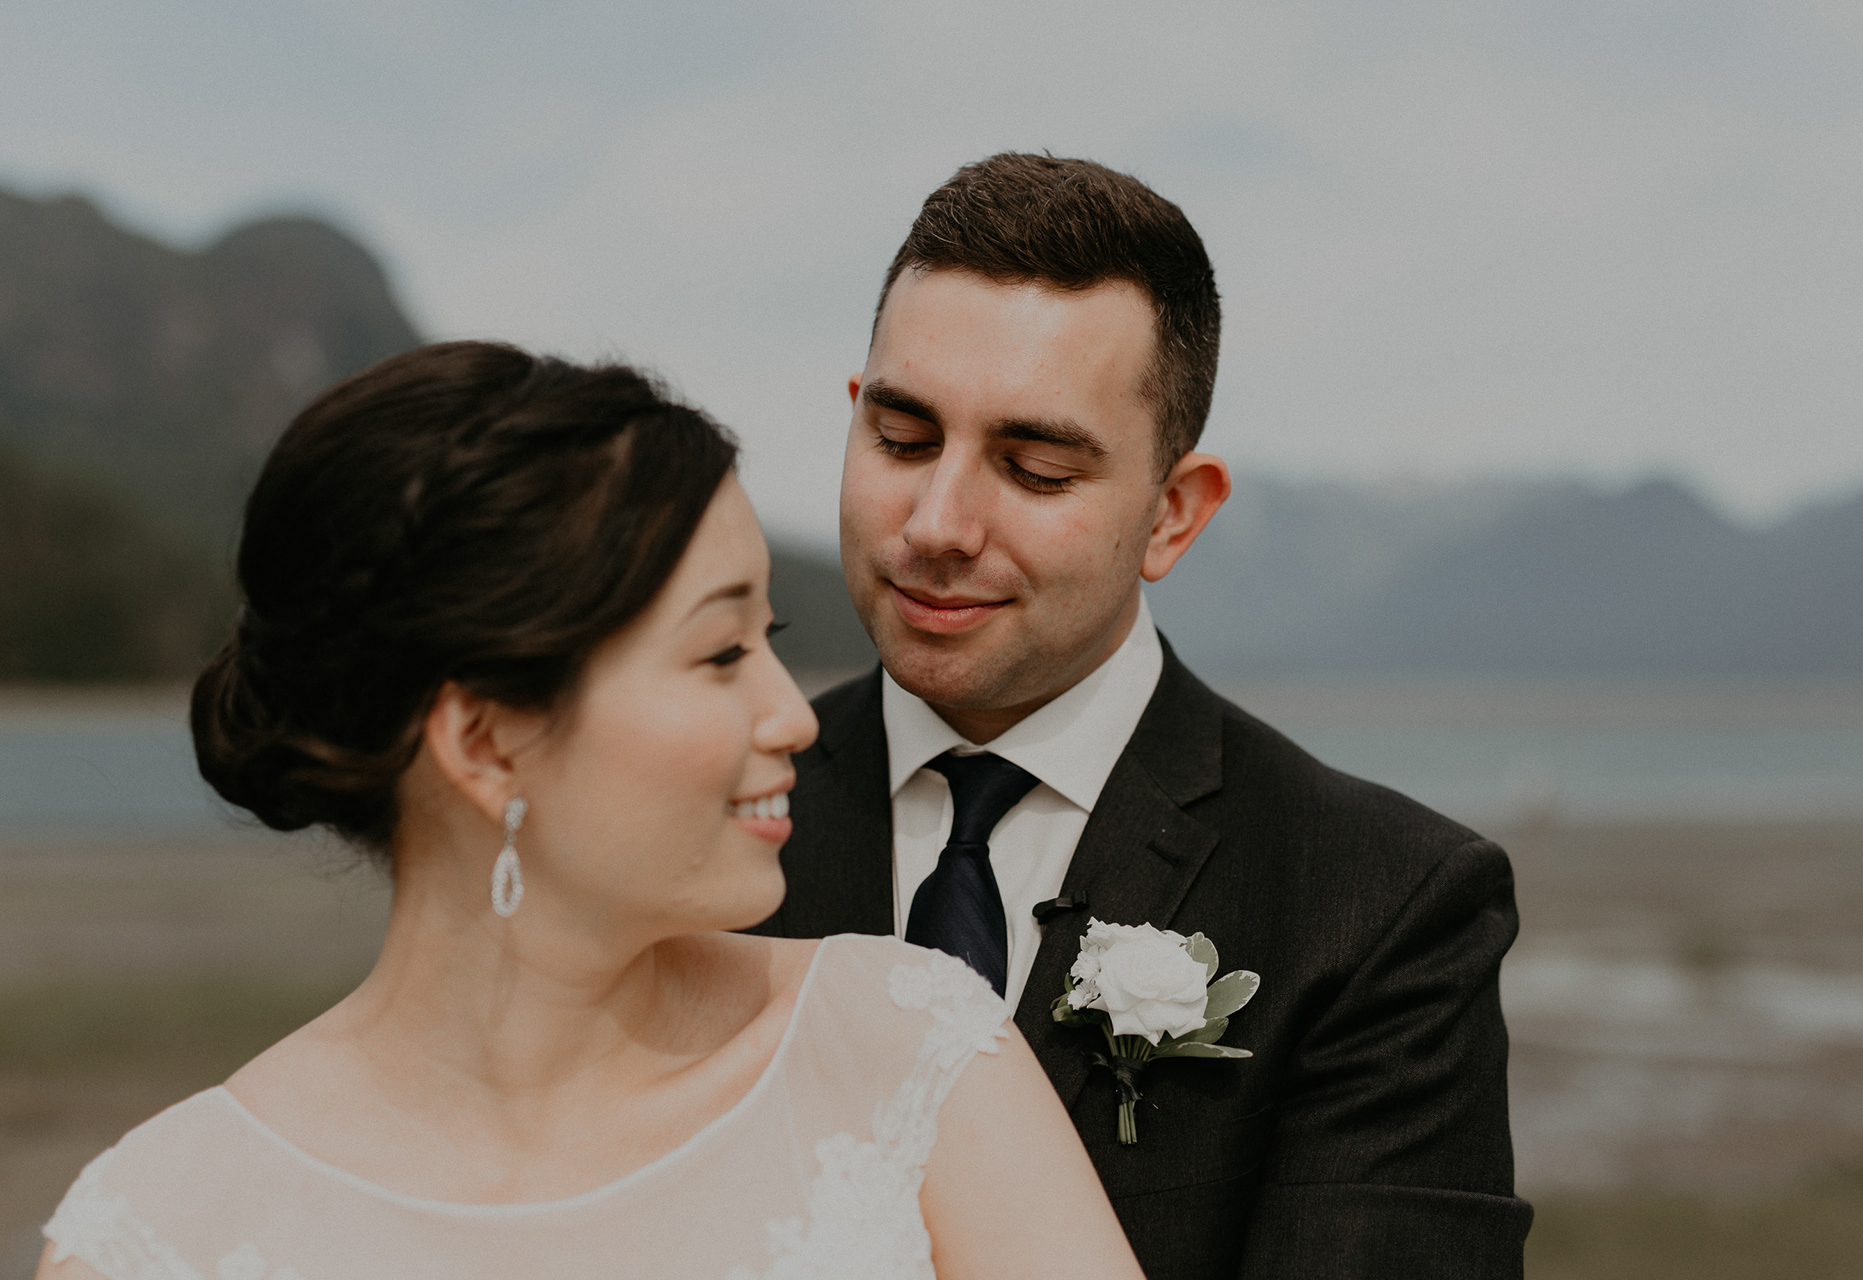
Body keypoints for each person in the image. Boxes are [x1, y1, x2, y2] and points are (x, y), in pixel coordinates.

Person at [37, 342, 1144, 1280]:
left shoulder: (910, 1053)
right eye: (719, 653)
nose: (793, 718)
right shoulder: (160, 1229)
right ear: (485, 740)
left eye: (769, 639)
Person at [752, 153, 1534, 1278]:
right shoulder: (696, 819)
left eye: (1035, 468)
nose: (935, 523)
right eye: (904, 439)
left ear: (1173, 514)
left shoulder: (1382, 905)